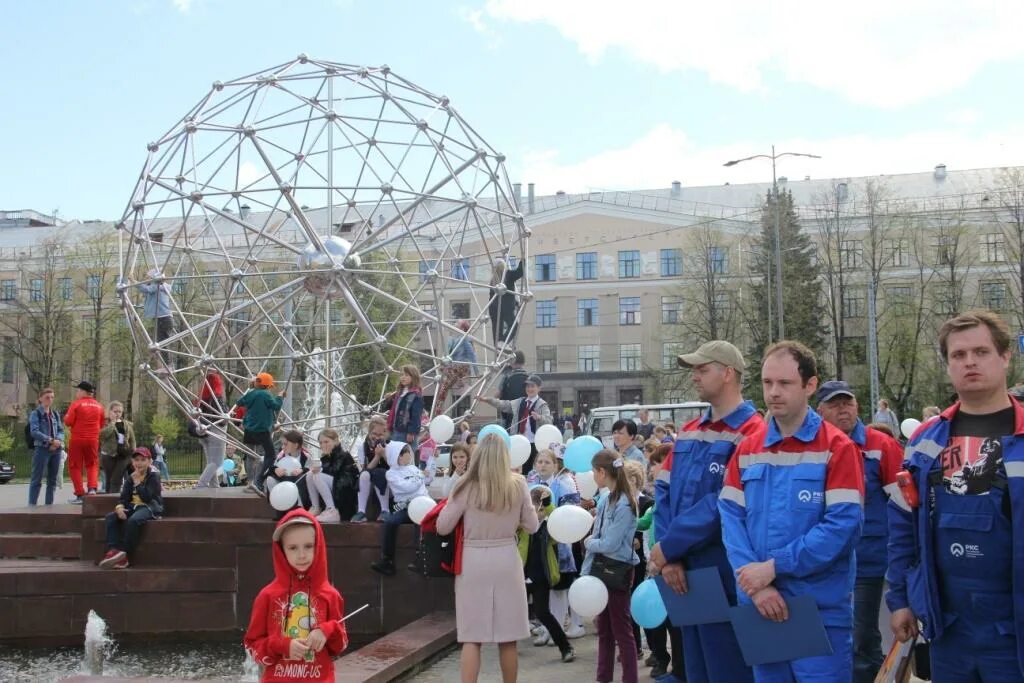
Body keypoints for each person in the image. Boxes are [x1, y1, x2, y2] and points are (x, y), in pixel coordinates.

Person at [887, 310, 1024, 680]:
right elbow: (902, 525)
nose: (970, 362)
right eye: (958, 355)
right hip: (949, 628)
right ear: (948, 364)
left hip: (1014, 628)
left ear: (1005, 356)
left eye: (980, 351)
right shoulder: (925, 441)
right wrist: (899, 600)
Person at [718, 340, 864, 681]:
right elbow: (730, 520)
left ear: (810, 385)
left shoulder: (837, 447)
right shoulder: (748, 449)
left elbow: (842, 526)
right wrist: (756, 584)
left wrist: (773, 567)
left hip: (817, 609)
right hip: (760, 604)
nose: (773, 393)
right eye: (768, 383)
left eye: (784, 383)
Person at [648, 340, 759, 683]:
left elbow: (722, 502)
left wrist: (670, 548)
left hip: (722, 573)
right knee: (695, 670)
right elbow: (663, 492)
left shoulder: (752, 432)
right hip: (683, 572)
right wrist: (670, 555)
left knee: (727, 670)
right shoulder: (691, 430)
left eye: (702, 369)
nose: (694, 376)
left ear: (728, 374)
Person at [814, 379, 903, 683]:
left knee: (861, 633)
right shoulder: (813, 446)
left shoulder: (881, 445)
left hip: (867, 558)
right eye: (835, 404)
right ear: (819, 410)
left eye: (847, 403)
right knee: (831, 635)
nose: (843, 410)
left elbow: (904, 504)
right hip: (821, 559)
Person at [436, 433, 538, 683]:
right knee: (508, 636)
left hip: (473, 561)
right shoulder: (518, 483)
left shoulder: (466, 485)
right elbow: (532, 526)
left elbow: (442, 526)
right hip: (506, 559)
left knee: (472, 636)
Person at [244, 509, 349, 683]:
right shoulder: (267, 596)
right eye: (292, 548)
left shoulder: (331, 595)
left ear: (319, 546)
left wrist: (327, 630)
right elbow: (252, 646)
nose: (302, 555)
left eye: (308, 546)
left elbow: (340, 645)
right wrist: (282, 646)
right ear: (281, 550)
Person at [582, 450, 640, 683]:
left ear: (602, 472)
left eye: (594, 471)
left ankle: (630, 679)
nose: (592, 475)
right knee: (604, 629)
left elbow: (610, 543)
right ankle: (603, 677)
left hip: (618, 570)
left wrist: (588, 543)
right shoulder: (607, 498)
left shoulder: (625, 503)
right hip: (602, 568)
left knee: (622, 631)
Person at [526, 448, 584, 643]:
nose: (542, 465)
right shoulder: (531, 485)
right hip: (537, 542)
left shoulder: (563, 485)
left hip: (559, 542)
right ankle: (548, 627)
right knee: (543, 586)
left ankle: (557, 628)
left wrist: (548, 513)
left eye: (547, 462)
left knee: (559, 586)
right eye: (539, 462)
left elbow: (569, 512)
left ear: (555, 465)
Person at [636, 442, 682, 680]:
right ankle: (659, 656)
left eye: (657, 463)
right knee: (654, 617)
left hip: (672, 566)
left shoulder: (678, 496)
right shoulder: (657, 501)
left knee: (675, 622)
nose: (652, 469)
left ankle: (677, 666)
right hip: (654, 566)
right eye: (652, 464)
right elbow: (643, 522)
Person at [518, 485, 576, 663]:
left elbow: (560, 520)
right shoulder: (523, 526)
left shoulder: (550, 527)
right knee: (514, 612)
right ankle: (508, 650)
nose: (538, 511)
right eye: (534, 507)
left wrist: (549, 504)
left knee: (543, 612)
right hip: (520, 574)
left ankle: (565, 647)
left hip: (541, 576)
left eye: (541, 508)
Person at [98, 447, 163, 570]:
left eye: (143, 460)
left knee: (133, 521)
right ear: (132, 462)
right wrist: (120, 508)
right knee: (111, 518)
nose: (139, 463)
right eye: (136, 460)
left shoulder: (154, 477)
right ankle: (113, 551)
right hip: (132, 506)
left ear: (150, 462)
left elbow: (147, 497)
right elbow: (123, 498)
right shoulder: (130, 477)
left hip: (149, 507)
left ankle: (124, 554)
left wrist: (138, 482)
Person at [370, 441, 427, 576]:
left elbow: (425, 482)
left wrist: (424, 475)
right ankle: (387, 561)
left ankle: (421, 559)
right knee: (390, 522)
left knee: (421, 522)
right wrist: (420, 477)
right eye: (404, 452)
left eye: (407, 451)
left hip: (422, 505)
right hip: (405, 507)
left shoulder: (414, 469)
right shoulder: (391, 474)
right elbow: (406, 487)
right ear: (396, 456)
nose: (408, 454)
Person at [477, 374, 552, 474]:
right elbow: (503, 404)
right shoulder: (520, 401)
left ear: (539, 388)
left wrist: (539, 417)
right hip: (518, 442)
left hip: (534, 444)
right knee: (517, 470)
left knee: (533, 472)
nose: (529, 389)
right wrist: (488, 400)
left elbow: (549, 421)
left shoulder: (542, 404)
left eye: (532, 386)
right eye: (528, 386)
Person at [236, 372, 285, 493]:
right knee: (271, 455)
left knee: (250, 456)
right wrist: (280, 397)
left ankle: (250, 482)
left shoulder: (251, 393)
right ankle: (259, 480)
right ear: (267, 385)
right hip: (262, 430)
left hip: (249, 430)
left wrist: (251, 390)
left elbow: (239, 402)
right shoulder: (266, 395)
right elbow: (275, 406)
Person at [64, 380, 106, 503]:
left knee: (75, 466)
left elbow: (68, 422)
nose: (77, 393)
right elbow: (102, 423)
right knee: (92, 464)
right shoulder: (99, 406)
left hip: (77, 439)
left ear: (83, 392)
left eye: (78, 390)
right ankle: (92, 489)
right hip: (93, 440)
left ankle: (80, 494)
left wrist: (65, 417)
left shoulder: (76, 404)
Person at [307, 428, 359, 523]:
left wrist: (321, 469)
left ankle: (332, 510)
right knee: (310, 475)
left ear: (335, 441)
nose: (323, 445)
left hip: (345, 490)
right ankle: (315, 507)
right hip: (336, 485)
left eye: (326, 442)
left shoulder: (343, 455)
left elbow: (334, 471)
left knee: (317, 475)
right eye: (321, 443)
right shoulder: (327, 457)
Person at [28, 387, 65, 506]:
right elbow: (34, 431)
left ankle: (49, 506)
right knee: (36, 479)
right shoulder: (36, 413)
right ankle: (31, 505)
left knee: (52, 480)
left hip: (56, 450)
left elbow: (61, 430)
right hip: (42, 449)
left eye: (52, 397)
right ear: (40, 399)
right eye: (47, 397)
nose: (50, 400)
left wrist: (58, 440)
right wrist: (50, 440)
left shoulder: (55, 414)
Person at [352, 415, 390, 523]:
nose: (377, 437)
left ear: (385, 434)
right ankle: (361, 511)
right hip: (369, 479)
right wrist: (377, 456)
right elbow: (366, 468)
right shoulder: (363, 447)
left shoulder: (389, 445)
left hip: (388, 480)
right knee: (364, 475)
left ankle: (385, 510)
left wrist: (384, 454)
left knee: (380, 473)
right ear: (369, 433)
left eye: (380, 435)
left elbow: (393, 466)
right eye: (374, 434)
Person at [437, 319, 478, 416]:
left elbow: (472, 355)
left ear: (462, 328)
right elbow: (448, 354)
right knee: (442, 372)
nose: (454, 324)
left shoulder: (464, 339)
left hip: (461, 366)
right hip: (455, 367)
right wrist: (450, 340)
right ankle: (460, 382)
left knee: (444, 387)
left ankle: (439, 407)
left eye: (457, 323)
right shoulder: (455, 340)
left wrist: (476, 371)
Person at [137, 269, 175, 371]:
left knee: (162, 344)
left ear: (154, 279)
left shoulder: (157, 287)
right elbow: (149, 300)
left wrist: (133, 282)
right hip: (164, 319)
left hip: (163, 319)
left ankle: (168, 366)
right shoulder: (160, 288)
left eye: (148, 278)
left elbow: (146, 289)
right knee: (161, 343)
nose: (146, 280)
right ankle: (166, 366)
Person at [195, 371, 228, 489]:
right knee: (217, 462)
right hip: (217, 432)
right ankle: (201, 484)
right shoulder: (217, 399)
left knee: (211, 461)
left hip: (204, 432)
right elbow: (224, 418)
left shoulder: (201, 400)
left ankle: (214, 485)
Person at [265, 430, 310, 512]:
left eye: (285, 444)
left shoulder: (306, 457)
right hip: (284, 488)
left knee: (303, 478)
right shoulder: (280, 456)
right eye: (282, 444)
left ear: (296, 445)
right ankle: (280, 507)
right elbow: (268, 471)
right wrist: (275, 470)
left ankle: (301, 508)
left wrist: (302, 470)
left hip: (299, 490)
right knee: (270, 479)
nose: (282, 447)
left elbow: (311, 469)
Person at [100, 401, 136, 494]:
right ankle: (108, 499)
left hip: (123, 455)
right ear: (110, 412)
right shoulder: (105, 423)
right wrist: (112, 424)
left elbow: (132, 440)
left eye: (119, 412)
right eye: (115, 411)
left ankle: (114, 500)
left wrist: (133, 453)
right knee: (109, 479)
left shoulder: (127, 424)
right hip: (108, 455)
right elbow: (102, 436)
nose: (117, 414)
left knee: (116, 479)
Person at [386, 365, 423, 452]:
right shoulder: (400, 392)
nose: (403, 377)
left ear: (413, 377)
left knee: (404, 454)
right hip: (396, 429)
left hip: (406, 432)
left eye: (406, 375)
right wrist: (390, 399)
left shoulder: (415, 394)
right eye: (401, 375)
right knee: (396, 454)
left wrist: (411, 432)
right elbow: (393, 410)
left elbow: (416, 415)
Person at [488, 257, 524, 348]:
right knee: (513, 326)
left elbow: (492, 296)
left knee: (497, 329)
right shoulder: (508, 275)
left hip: (494, 308)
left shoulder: (493, 281)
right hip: (506, 307)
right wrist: (522, 261)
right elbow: (520, 272)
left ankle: (499, 344)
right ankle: (503, 341)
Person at [497, 350, 529, 429]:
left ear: (511, 361)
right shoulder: (529, 377)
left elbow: (498, 394)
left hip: (508, 414)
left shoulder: (506, 377)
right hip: (525, 414)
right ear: (523, 362)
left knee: (508, 437)